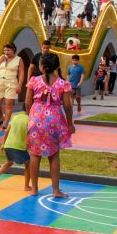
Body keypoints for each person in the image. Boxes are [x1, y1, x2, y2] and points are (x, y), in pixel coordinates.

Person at [25, 52, 75, 198]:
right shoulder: (63, 83)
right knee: (54, 155)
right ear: (56, 67)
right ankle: (56, 190)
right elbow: (67, 106)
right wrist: (70, 124)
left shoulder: (34, 81)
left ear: (41, 66)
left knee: (35, 155)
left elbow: (28, 102)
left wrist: (30, 117)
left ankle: (34, 188)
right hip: (54, 120)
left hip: (36, 119)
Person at [0, 108, 32, 190]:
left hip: (8, 145)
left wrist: (3, 143)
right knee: (29, 164)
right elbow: (30, 135)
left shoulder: (15, 117)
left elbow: (7, 131)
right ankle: (26, 186)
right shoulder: (29, 120)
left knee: (9, 162)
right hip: (18, 147)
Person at [0, 43, 22, 131]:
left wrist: (19, 85)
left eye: (8, 50)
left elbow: (22, 73)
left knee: (8, 105)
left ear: (13, 50)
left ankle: (5, 122)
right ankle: (1, 117)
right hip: (0, 82)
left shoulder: (18, 59)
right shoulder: (2, 57)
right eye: (5, 50)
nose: (6, 52)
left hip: (12, 83)